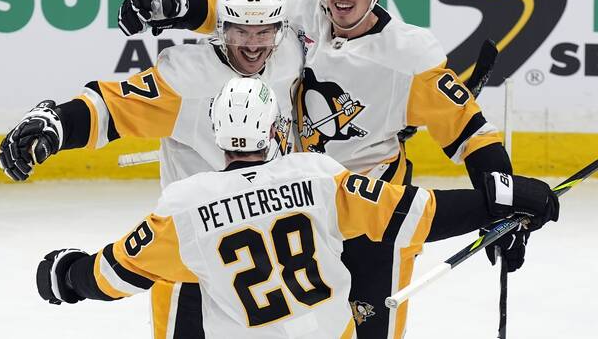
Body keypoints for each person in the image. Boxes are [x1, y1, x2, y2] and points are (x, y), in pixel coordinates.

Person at [117, 0, 521, 338]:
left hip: (370, 213)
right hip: (306, 207)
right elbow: (237, 7)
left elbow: (473, 134)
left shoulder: (410, 57)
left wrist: (504, 208)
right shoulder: (298, 6)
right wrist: (178, 2)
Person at [35, 77, 560, 339]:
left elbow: (113, 275)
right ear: (276, 129)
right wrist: (509, 197)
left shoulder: (184, 207)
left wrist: (65, 275)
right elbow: (420, 213)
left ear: (217, 133)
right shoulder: (318, 177)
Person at [0, 0, 302, 339]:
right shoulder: (188, 80)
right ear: (221, 29)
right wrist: (57, 124)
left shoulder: (291, 56)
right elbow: (115, 107)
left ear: (280, 30)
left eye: (263, 32)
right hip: (195, 267)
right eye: (240, 32)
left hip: (274, 262)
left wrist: (185, 1)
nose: (253, 44)